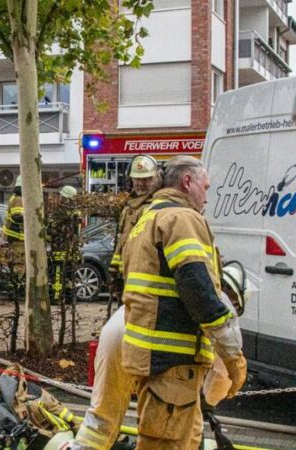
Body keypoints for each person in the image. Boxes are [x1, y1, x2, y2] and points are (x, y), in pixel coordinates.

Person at [118, 156, 246, 449]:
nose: (207, 198)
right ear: (188, 182)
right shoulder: (182, 219)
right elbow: (199, 292)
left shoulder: (145, 219)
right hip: (173, 364)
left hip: (156, 362)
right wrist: (233, 357)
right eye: (206, 187)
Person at [73, 267, 247, 450]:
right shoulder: (218, 303)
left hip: (115, 333)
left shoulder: (170, 278)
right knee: (184, 431)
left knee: (100, 420)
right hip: (161, 356)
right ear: (235, 297)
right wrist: (208, 402)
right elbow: (222, 373)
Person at [109, 155, 161, 283]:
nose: (140, 184)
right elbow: (122, 240)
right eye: (136, 179)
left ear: (157, 179)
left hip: (143, 276)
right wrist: (115, 268)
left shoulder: (155, 207)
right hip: (127, 274)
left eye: (146, 179)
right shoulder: (129, 207)